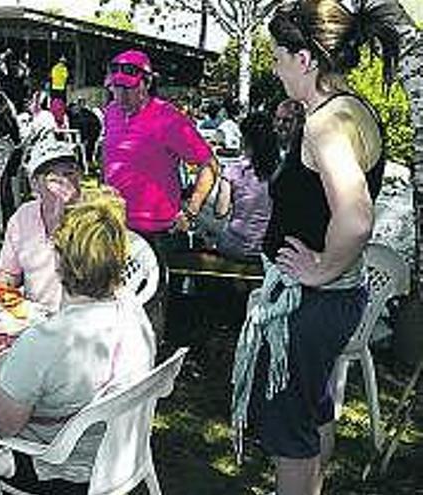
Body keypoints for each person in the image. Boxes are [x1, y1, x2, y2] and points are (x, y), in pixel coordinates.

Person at [231, 2, 397, 494]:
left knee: (291, 435)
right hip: (325, 301)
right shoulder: (351, 108)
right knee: (313, 413)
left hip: (311, 303)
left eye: (278, 55)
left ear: (304, 59)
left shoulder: (326, 124)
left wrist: (319, 270)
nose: (275, 66)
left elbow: (356, 216)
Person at [0, 189, 156, 494]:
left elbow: (1, 426)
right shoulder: (134, 313)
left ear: (58, 260)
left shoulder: (44, 343)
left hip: (57, 470)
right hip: (117, 455)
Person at [102, 48, 219, 337]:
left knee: (149, 303)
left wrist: (190, 212)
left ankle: (148, 365)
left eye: (127, 88)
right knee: (109, 300)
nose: (120, 94)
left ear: (146, 83)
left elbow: (209, 164)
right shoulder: (111, 114)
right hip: (114, 224)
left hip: (155, 230)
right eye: (116, 87)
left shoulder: (168, 118)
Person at [0, 136, 81, 313]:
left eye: (69, 173)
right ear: (35, 185)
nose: (63, 181)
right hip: (35, 319)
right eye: (52, 176)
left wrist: (65, 217)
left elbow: (102, 282)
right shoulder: (23, 217)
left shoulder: (94, 218)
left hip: (82, 321)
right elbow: (9, 274)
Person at [212, 112, 279, 259]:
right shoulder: (279, 171)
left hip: (235, 245)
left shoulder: (232, 170)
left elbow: (220, 211)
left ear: (244, 139)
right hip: (268, 247)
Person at [49, 55, 70, 128]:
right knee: (62, 103)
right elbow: (66, 77)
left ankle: (53, 111)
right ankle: (61, 115)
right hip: (61, 88)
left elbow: (51, 77)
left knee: (54, 101)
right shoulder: (64, 69)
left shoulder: (54, 68)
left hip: (54, 87)